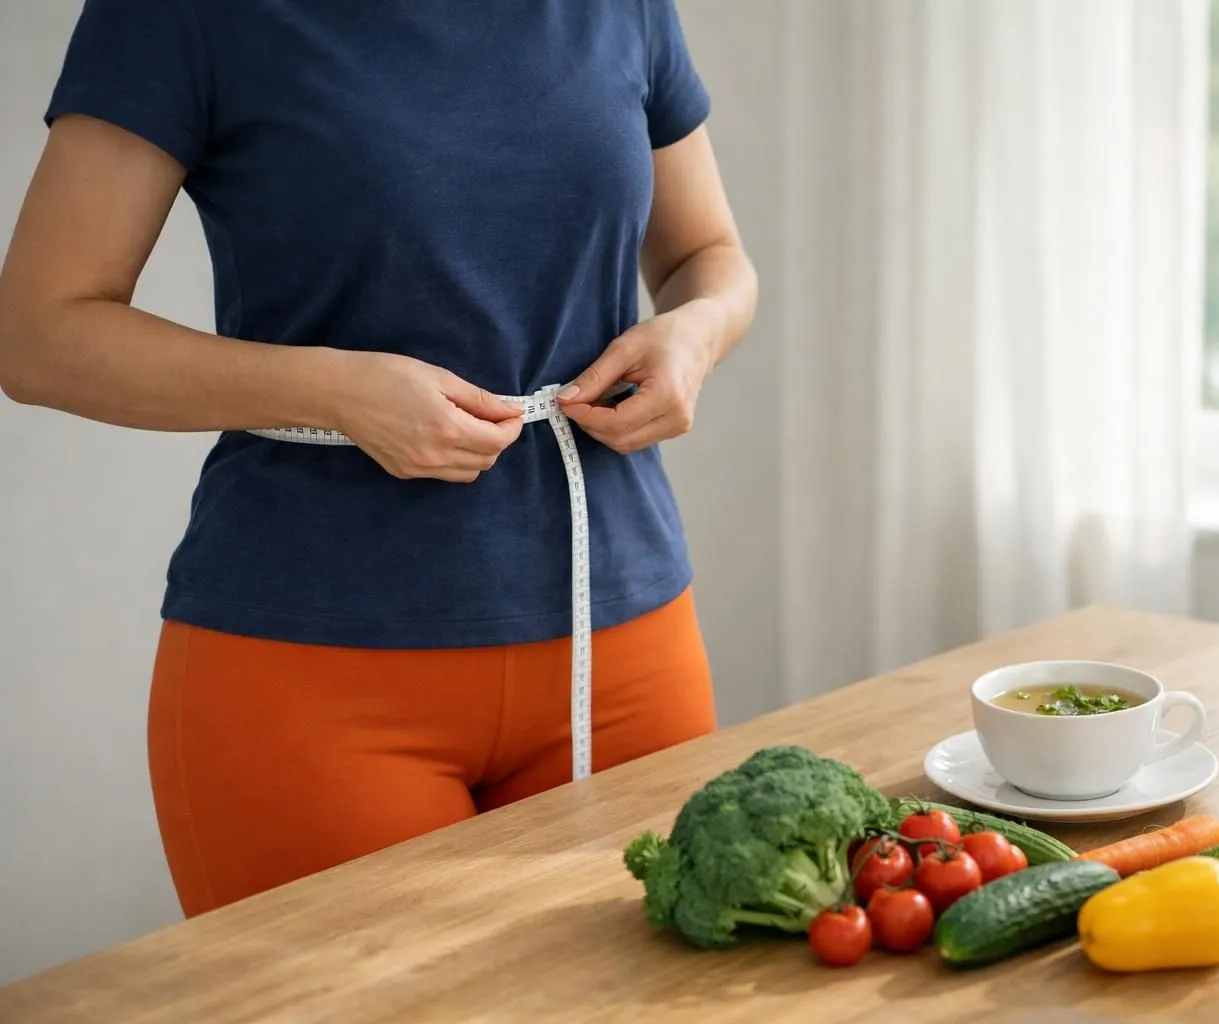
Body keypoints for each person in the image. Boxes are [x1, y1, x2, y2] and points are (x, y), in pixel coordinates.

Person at [0, 0, 755, 917]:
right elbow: (37, 335)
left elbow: (710, 256)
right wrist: (336, 392)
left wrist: (696, 334)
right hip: (316, 678)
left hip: (627, 640)